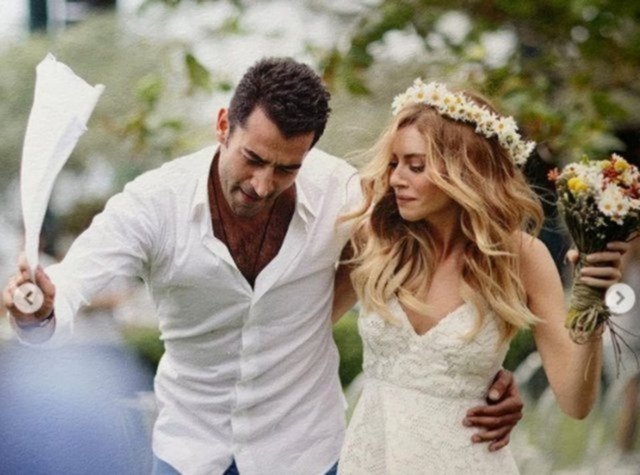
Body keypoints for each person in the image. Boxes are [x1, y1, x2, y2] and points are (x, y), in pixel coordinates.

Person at [4, 59, 523, 475]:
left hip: (305, 454)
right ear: (223, 126)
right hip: (189, 452)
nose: (262, 184)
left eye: (286, 168)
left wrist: (478, 371)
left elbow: (431, 254)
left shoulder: (340, 193)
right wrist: (38, 308)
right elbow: (70, 284)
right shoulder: (153, 203)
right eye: (252, 158)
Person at [334, 79, 629, 473]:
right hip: (373, 458)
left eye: (416, 166)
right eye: (394, 163)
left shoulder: (521, 257)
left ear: (464, 170)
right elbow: (301, 325)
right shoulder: (375, 238)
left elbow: (575, 402)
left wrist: (592, 300)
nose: (397, 178)